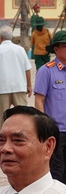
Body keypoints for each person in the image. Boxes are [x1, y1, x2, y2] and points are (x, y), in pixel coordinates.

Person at [0, 25, 33, 133]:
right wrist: (29, 85)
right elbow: (27, 69)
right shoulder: (20, 49)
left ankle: (1, 137)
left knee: (2, 116)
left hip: (3, 88)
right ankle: (24, 134)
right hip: (19, 87)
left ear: (0, 37)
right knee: (23, 115)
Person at [34, 30, 66, 183]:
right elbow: (39, 100)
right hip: (57, 132)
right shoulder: (46, 71)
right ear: (56, 49)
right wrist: (45, 127)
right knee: (57, 172)